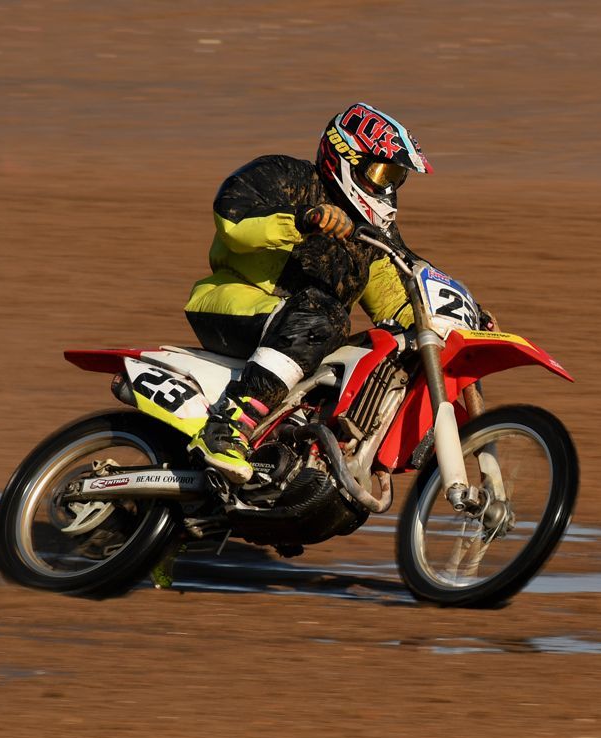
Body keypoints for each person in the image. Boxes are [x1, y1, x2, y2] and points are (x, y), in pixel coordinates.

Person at [185, 103, 432, 483]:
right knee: (327, 316)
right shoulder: (284, 175)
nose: (387, 187)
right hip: (234, 301)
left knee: (396, 345)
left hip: (299, 329)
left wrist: (458, 318)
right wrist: (304, 220)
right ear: (346, 156)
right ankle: (225, 428)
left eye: (395, 177)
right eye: (381, 172)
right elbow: (233, 222)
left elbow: (396, 296)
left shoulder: (370, 234)